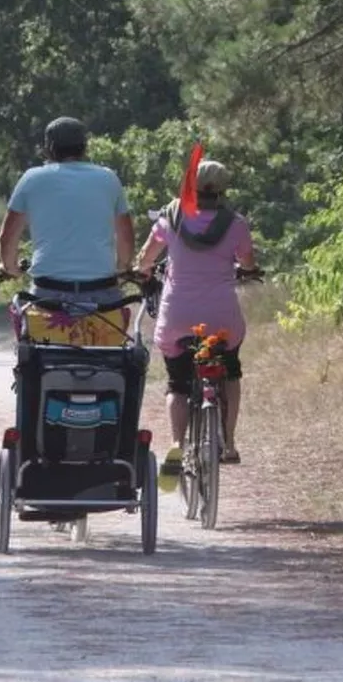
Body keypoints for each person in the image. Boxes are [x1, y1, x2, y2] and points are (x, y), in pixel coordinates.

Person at [134, 158, 257, 486]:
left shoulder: (171, 216)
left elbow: (147, 257)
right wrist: (245, 269)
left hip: (178, 316)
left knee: (177, 382)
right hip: (221, 318)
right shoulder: (236, 224)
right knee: (230, 369)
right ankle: (229, 443)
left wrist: (143, 270)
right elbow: (247, 263)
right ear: (223, 187)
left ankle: (177, 445)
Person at [0, 116, 135, 291]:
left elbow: (8, 236)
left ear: (48, 148)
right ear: (84, 147)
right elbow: (126, 235)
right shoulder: (108, 178)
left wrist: (10, 268)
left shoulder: (31, 178)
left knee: (22, 306)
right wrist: (123, 267)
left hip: (48, 291)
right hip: (101, 289)